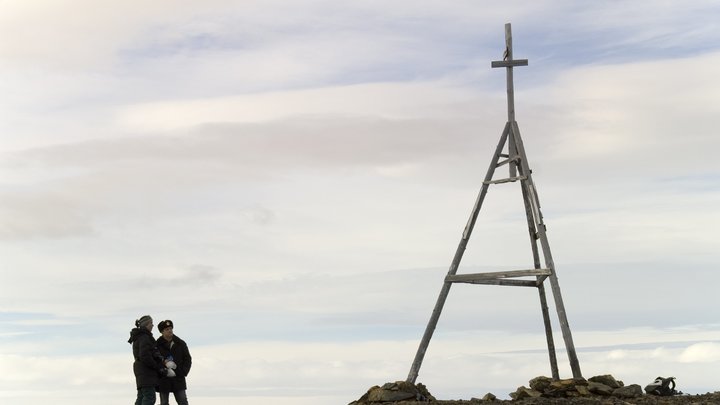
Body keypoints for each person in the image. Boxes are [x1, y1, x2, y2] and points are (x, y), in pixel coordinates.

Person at [128, 315, 166, 405]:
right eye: (151, 323)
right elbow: (145, 356)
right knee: (150, 397)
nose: (153, 325)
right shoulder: (144, 337)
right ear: (146, 324)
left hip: (141, 370)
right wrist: (157, 366)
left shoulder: (139, 337)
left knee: (141, 397)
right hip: (146, 372)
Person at [156, 319, 192, 405]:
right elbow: (155, 360)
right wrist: (162, 369)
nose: (170, 331)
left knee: (183, 401)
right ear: (162, 332)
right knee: (164, 402)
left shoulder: (180, 343)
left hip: (178, 378)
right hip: (163, 379)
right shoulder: (157, 345)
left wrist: (183, 372)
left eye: (170, 328)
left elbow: (188, 359)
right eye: (167, 329)